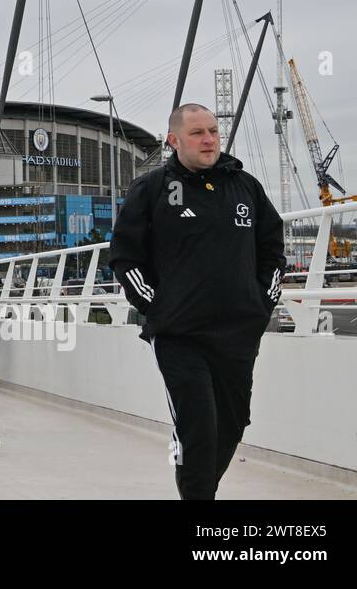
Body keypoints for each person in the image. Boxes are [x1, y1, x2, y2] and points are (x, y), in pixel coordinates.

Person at [109, 104, 284, 500]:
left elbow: (273, 249)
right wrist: (158, 306)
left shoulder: (246, 186)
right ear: (174, 140)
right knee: (198, 426)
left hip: (238, 334)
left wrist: (262, 303)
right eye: (197, 133)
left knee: (233, 423)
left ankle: (200, 489)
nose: (208, 140)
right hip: (179, 335)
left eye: (213, 132)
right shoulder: (152, 188)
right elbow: (125, 255)